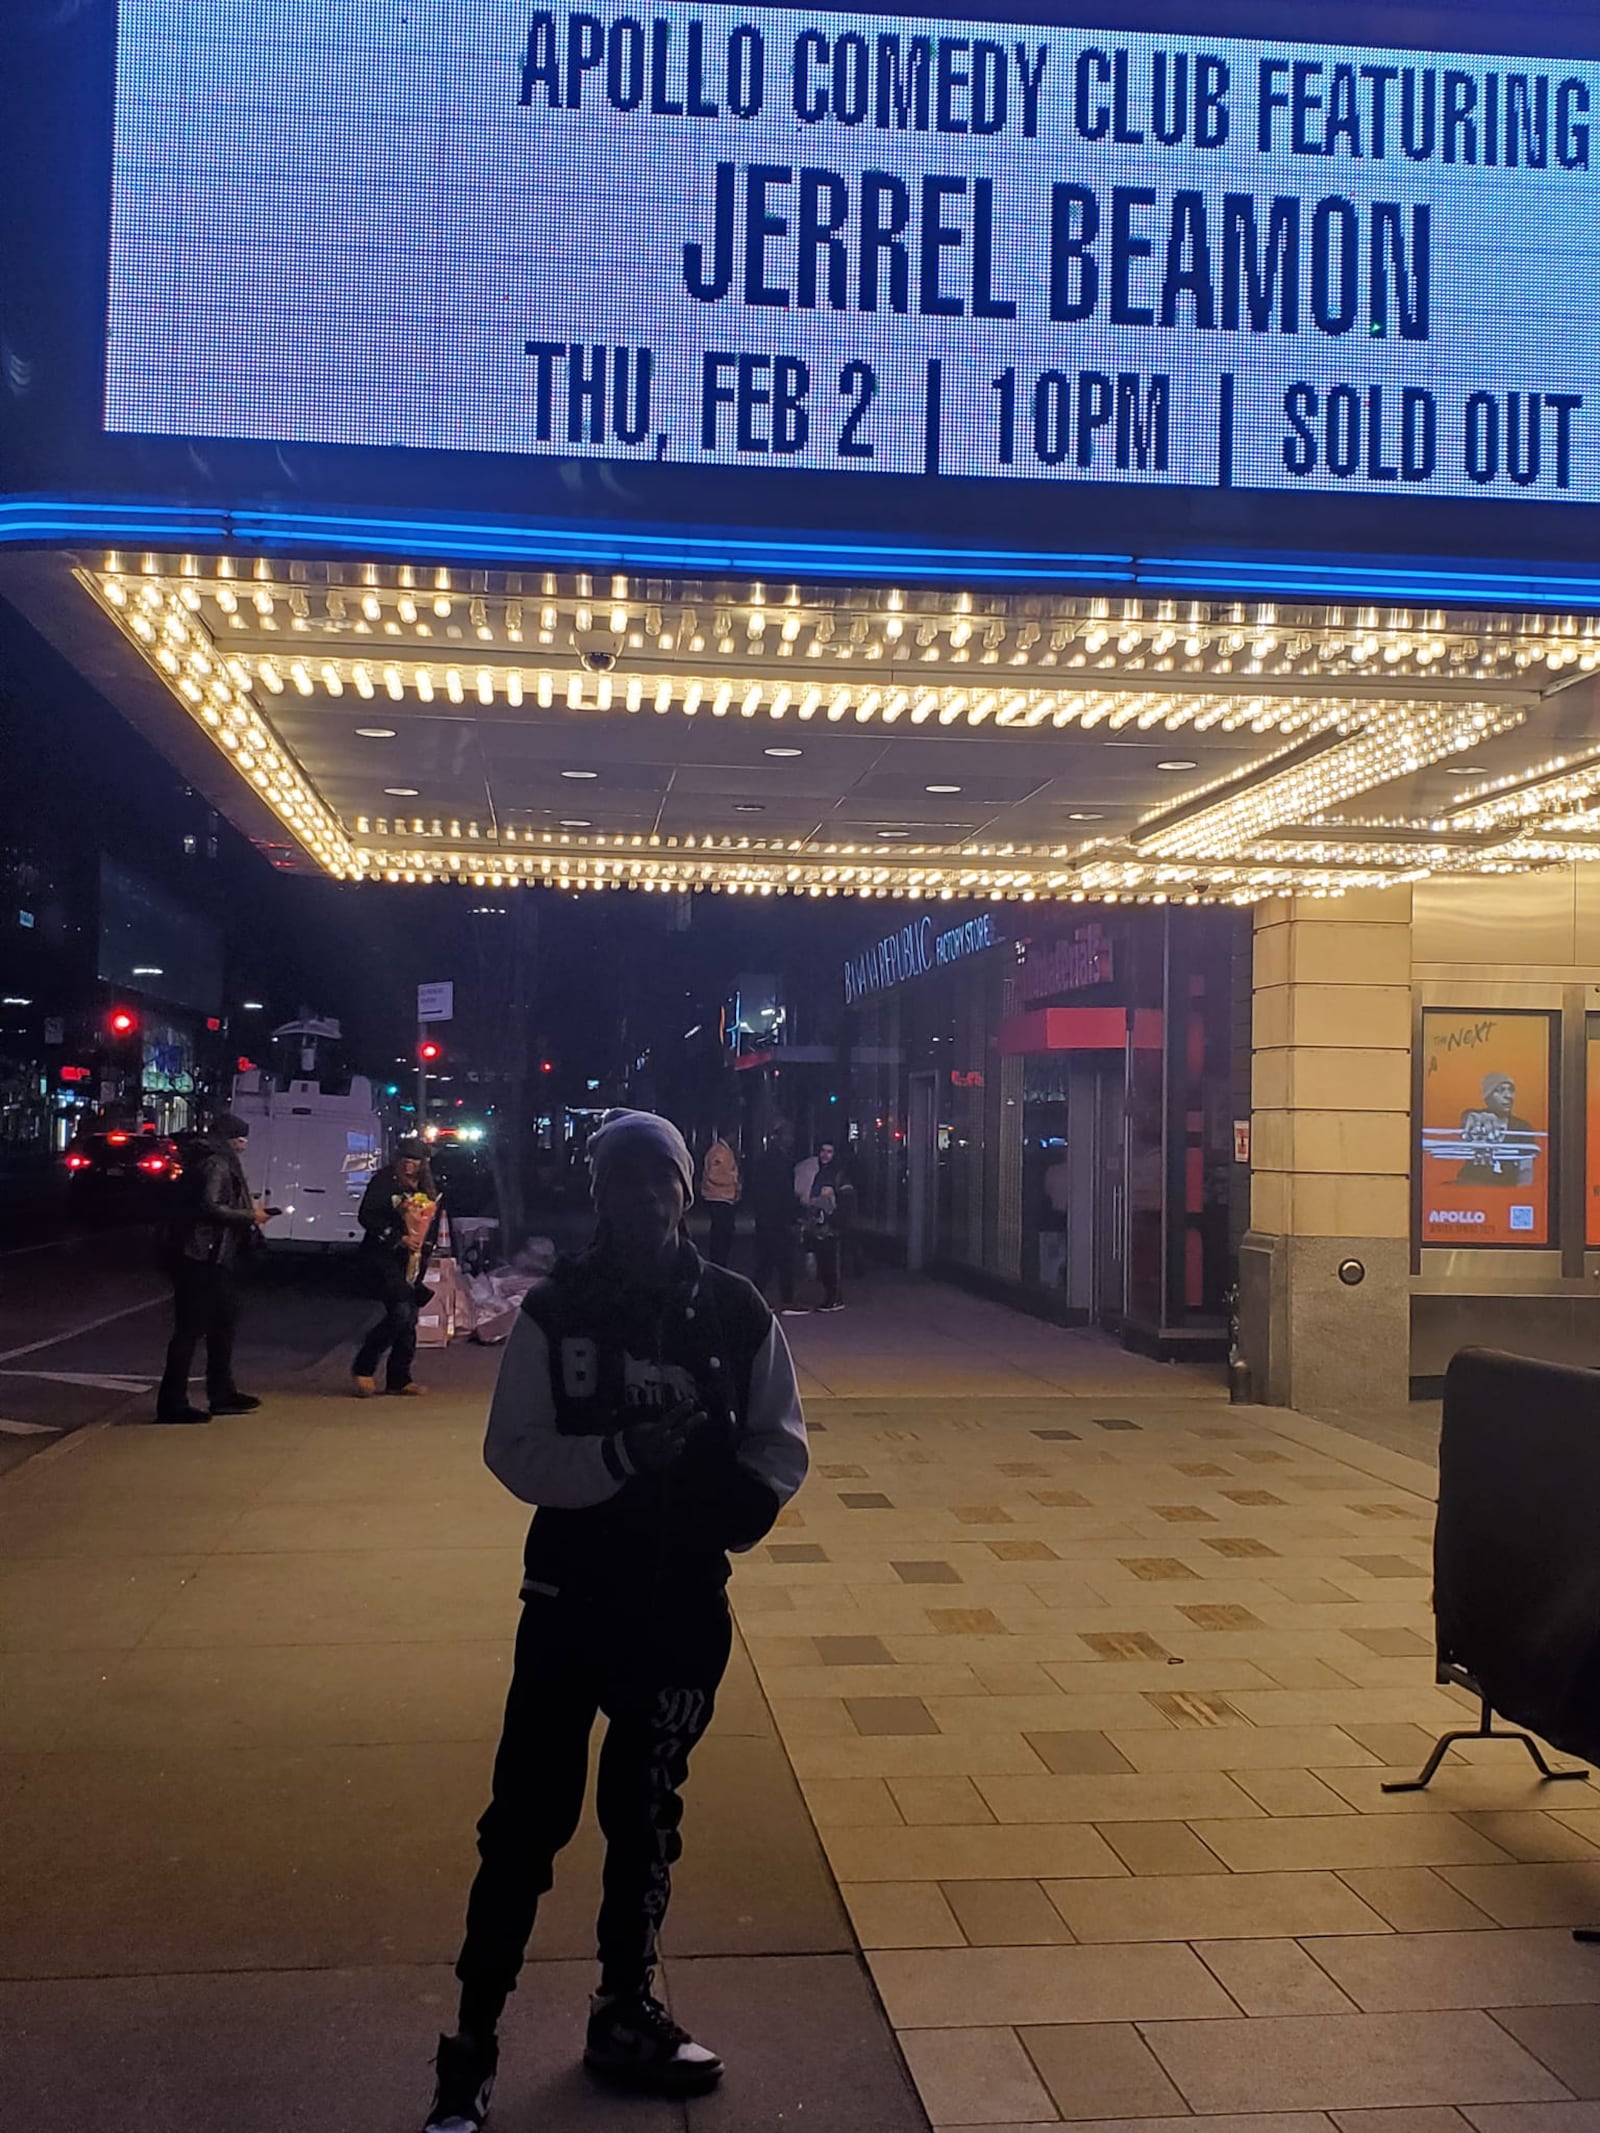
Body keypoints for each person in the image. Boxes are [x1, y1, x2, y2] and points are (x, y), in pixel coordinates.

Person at [423, 1109, 807, 2133]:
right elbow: (515, 1451)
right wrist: (619, 1462)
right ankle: (469, 2042)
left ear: (688, 1189)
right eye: (621, 1181)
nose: (642, 1197)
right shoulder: (560, 1309)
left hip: (679, 1608)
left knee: (645, 1820)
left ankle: (623, 2009)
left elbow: (779, 1445)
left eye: (659, 1179)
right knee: (524, 1823)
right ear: (598, 1195)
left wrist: (729, 1512)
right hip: (568, 1602)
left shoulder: (733, 1309)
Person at [154, 1112, 269, 1424]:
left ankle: (220, 1392)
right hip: (201, 1257)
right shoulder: (217, 1163)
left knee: (221, 1323)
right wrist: (250, 1217)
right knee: (193, 1329)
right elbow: (210, 1205)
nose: (245, 1145)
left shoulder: (209, 1159)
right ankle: (175, 1402)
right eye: (241, 1138)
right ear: (232, 1139)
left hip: (205, 1255)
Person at [351, 1140, 439, 1397]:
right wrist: (397, 1238)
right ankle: (364, 1366)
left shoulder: (426, 1188)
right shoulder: (384, 1182)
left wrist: (423, 1246)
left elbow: (429, 1221)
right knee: (400, 1311)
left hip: (412, 1261)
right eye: (405, 1159)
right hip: (383, 1258)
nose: (409, 1164)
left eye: (415, 1160)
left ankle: (400, 1377)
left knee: (409, 1318)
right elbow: (367, 1216)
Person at [748, 1118, 803, 1314]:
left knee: (766, 1262)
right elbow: (783, 1192)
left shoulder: (766, 1159)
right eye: (788, 1135)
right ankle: (787, 1301)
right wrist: (793, 1214)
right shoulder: (779, 1161)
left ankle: (755, 1299)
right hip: (777, 1218)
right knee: (783, 1260)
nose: (791, 1139)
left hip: (767, 1217)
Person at [796, 1140, 853, 1312]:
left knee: (830, 1262)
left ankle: (834, 1298)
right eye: (823, 1151)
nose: (825, 1155)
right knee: (823, 1261)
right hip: (817, 1223)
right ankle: (831, 1296)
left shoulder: (838, 1174)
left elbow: (846, 1199)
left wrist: (835, 1214)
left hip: (831, 1224)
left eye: (829, 1152)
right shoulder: (816, 1172)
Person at [1454, 1071, 1537, 1187]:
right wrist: (1476, 1119)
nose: (1508, 1096)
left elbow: (1526, 1171)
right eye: (1500, 1090)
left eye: (1511, 1090)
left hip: (1505, 1192)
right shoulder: (1475, 1117)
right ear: (1487, 1097)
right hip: (1469, 1187)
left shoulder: (1522, 1127)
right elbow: (1468, 1118)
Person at [699, 1125, 740, 1268]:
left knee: (723, 1233)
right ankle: (718, 1262)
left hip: (723, 1197)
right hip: (718, 1197)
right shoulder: (720, 1152)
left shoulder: (724, 1151)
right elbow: (713, 1175)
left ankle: (718, 1261)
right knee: (721, 1234)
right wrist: (732, 1180)